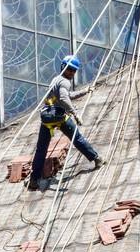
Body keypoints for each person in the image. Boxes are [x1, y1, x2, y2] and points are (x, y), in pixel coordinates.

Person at [27, 55, 103, 188]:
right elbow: (63, 98)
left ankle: (34, 180)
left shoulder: (56, 80)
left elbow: (67, 96)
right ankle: (97, 159)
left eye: (74, 70)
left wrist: (84, 91)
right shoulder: (65, 82)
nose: (72, 73)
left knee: (41, 149)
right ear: (63, 67)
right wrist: (75, 113)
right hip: (60, 117)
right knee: (77, 138)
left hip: (47, 117)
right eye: (70, 70)